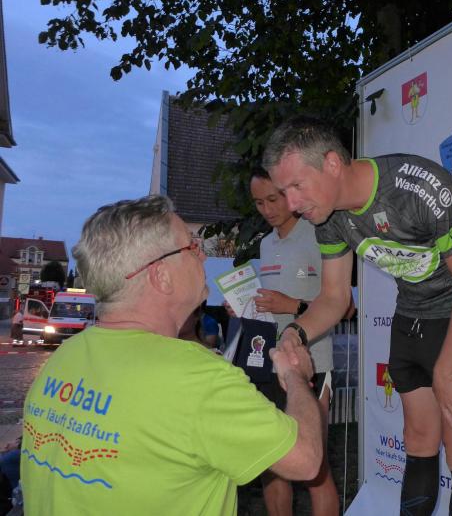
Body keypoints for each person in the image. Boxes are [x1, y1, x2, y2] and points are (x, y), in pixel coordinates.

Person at [19, 195, 323, 516]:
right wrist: (296, 376)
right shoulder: (197, 378)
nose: (202, 256)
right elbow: (306, 460)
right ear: (161, 276)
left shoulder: (64, 357)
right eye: (191, 247)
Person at [263, 116, 452, 516]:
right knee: (418, 438)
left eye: (297, 186)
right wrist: (295, 334)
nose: (292, 204)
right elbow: (334, 298)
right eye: (284, 192)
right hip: (412, 311)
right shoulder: (328, 216)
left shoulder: (417, 187)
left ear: (332, 163)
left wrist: (445, 372)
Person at [250, 166, 339, 516]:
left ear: (289, 193)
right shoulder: (265, 243)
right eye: (259, 203)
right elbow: (269, 304)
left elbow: (345, 306)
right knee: (272, 465)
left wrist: (291, 306)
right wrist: (246, 306)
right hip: (269, 363)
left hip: (311, 363)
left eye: (273, 199)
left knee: (315, 470)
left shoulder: (318, 234)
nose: (267, 209)